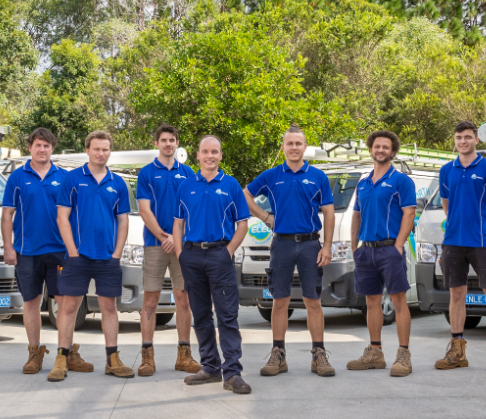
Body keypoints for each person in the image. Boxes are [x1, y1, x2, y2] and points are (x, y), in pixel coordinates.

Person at [244, 125, 337, 377]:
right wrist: (265, 217)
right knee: (279, 301)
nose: (294, 147)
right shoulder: (271, 175)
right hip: (282, 244)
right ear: (283, 147)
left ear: (305, 147)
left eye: (298, 143)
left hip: (310, 244)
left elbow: (328, 212)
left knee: (313, 302)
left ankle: (319, 355)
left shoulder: (318, 177)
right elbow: (246, 194)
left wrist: (327, 246)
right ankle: (278, 355)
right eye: (290, 143)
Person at [48, 130, 135, 382]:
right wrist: (73, 252)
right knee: (69, 307)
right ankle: (62, 358)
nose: (101, 153)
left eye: (105, 149)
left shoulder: (118, 183)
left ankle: (112, 359)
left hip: (108, 258)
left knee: (109, 307)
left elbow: (123, 221)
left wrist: (117, 253)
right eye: (96, 149)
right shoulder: (72, 179)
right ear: (87, 150)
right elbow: (62, 217)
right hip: (78, 257)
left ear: (110, 151)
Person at [173, 135, 252, 394]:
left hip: (220, 254)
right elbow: (178, 224)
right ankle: (209, 367)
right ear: (197, 155)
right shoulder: (185, 186)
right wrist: (181, 253)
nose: (210, 156)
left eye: (214, 152)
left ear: (220, 155)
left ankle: (232, 373)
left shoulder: (230, 185)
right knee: (201, 315)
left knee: (227, 315)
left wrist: (229, 250)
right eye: (205, 151)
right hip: (192, 257)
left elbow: (242, 224)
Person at [434, 120, 486, 375]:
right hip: (453, 242)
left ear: (477, 140)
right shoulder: (446, 171)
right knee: (456, 295)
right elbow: (447, 206)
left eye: (468, 137)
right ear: (454, 140)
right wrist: (457, 227)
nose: (463, 141)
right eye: (459, 137)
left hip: (483, 244)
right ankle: (457, 351)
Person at [346, 130, 418, 377]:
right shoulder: (363, 183)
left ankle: (403, 355)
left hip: (390, 250)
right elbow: (356, 215)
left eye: (386, 147)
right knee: (371, 301)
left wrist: (398, 245)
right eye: (377, 146)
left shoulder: (402, 181)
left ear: (393, 151)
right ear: (371, 149)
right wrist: (354, 246)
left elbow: (409, 214)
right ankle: (375, 353)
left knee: (398, 302)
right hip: (366, 251)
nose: (381, 150)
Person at [2, 127, 70, 375]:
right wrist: (8, 247)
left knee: (64, 304)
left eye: (47, 146)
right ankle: (34, 353)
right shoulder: (17, 178)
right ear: (30, 147)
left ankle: (65, 354)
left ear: (53, 149)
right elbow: (7, 215)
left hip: (59, 251)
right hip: (26, 251)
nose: (42, 149)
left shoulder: (64, 177)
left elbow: (73, 215)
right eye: (38, 145)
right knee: (31, 303)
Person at [135, 124, 201, 376]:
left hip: (182, 246)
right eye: (163, 140)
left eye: (172, 140)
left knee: (183, 299)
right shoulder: (147, 173)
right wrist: (164, 236)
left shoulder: (188, 173)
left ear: (177, 143)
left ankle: (184, 355)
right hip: (155, 244)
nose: (168, 144)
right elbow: (144, 209)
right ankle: (147, 357)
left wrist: (177, 238)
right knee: (150, 300)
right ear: (157, 143)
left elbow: (191, 211)